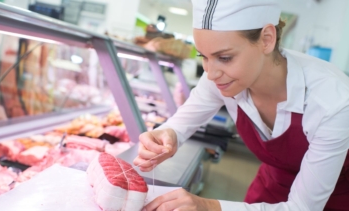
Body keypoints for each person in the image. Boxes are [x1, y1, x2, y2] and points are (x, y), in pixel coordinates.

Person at [133, 0, 349, 210]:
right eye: (203, 56)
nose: (211, 73)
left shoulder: (332, 102)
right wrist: (166, 135)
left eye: (225, 57)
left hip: (335, 198)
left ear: (266, 39)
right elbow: (178, 126)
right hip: (271, 187)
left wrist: (207, 206)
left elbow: (303, 207)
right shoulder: (218, 79)